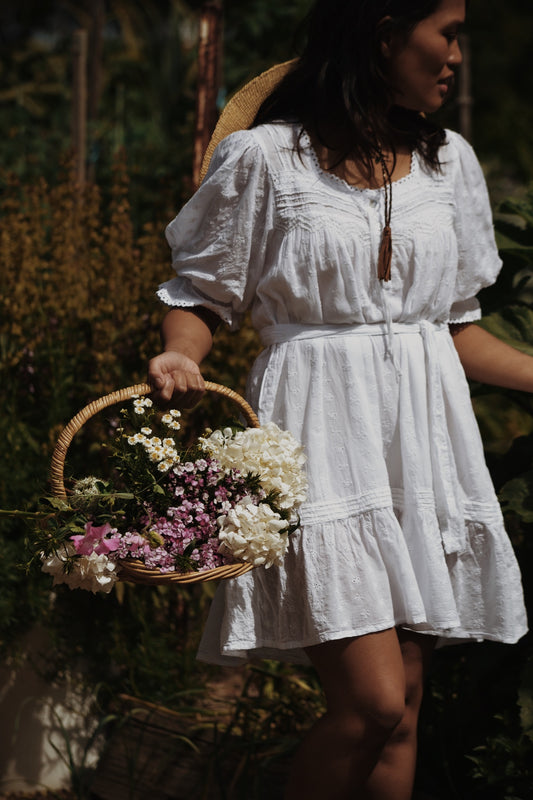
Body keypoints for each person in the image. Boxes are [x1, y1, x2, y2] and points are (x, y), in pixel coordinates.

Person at [148, 1, 529, 797]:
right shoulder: (265, 158)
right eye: (447, 33)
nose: (456, 55)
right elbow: (202, 292)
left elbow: (454, 327)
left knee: (405, 706)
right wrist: (181, 354)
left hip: (421, 445)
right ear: (385, 35)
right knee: (372, 701)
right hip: (319, 434)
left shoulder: (449, 162)